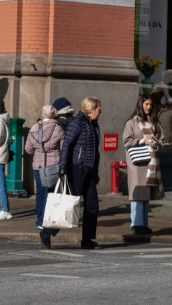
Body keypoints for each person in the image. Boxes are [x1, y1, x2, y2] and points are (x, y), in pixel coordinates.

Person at [59, 96, 103, 249]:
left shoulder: (93, 124)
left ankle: (88, 240)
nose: (100, 111)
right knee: (70, 205)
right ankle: (47, 231)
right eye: (98, 109)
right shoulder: (77, 122)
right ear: (91, 110)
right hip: (77, 168)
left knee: (92, 206)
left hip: (89, 170)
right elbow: (67, 145)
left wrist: (95, 170)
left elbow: (95, 151)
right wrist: (63, 165)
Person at [122, 94, 164, 235]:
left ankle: (144, 224)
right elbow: (126, 142)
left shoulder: (154, 121)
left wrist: (155, 141)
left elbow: (162, 138)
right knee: (137, 194)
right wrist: (143, 141)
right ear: (140, 105)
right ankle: (136, 224)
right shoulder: (132, 122)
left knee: (146, 195)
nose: (149, 107)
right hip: (137, 163)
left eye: (151, 104)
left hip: (151, 162)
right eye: (146, 104)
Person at [24, 104, 64, 248]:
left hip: (38, 166)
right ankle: (49, 221)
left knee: (40, 193)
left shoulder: (34, 129)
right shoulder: (58, 129)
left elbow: (28, 149)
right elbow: (62, 147)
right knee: (52, 194)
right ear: (53, 114)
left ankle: (40, 221)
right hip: (53, 167)